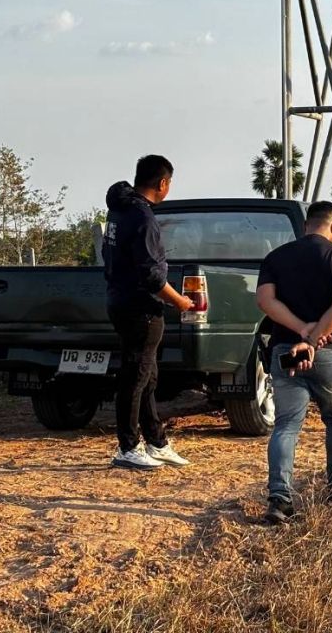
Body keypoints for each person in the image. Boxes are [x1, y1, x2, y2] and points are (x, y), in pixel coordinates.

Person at [255, 201, 332, 525]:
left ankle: (279, 499)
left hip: (286, 352)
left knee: (286, 425)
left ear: (304, 226)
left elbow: (265, 301)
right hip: (328, 351)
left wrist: (300, 331)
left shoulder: (275, 257)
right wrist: (314, 339)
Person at [103, 155, 196, 470]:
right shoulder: (143, 218)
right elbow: (152, 277)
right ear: (163, 183)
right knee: (135, 375)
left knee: (147, 375)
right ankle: (127, 447)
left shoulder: (119, 211)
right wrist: (179, 301)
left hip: (120, 300)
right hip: (140, 308)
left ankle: (156, 441)